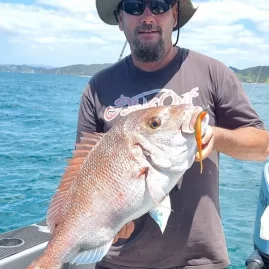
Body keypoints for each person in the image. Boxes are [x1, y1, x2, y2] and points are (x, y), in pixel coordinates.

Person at [75, 0, 269, 268]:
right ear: (120, 19)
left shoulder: (213, 73)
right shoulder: (97, 88)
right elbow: (82, 176)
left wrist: (216, 137)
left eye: (159, 5)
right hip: (117, 263)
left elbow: (262, 146)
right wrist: (103, 222)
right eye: (134, 6)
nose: (147, 16)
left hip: (199, 262)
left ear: (174, 14)